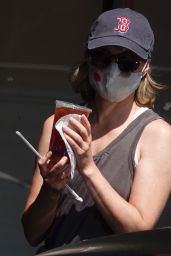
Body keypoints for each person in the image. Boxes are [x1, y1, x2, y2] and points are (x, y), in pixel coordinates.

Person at [21, 8, 171, 254]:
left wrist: (88, 168)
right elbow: (32, 233)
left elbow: (139, 231)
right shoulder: (59, 124)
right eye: (103, 57)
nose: (114, 71)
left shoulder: (157, 135)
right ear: (88, 58)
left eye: (127, 63)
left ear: (145, 68)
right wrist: (52, 190)